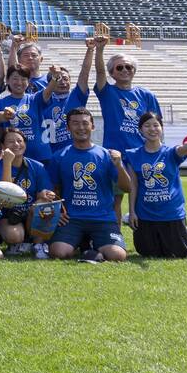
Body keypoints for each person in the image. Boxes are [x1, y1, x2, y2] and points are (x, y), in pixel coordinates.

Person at [94, 38, 160, 222]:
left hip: (141, 154)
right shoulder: (107, 92)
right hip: (116, 155)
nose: (124, 70)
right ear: (112, 73)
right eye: (119, 67)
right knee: (115, 199)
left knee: (146, 196)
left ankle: (146, 229)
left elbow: (157, 125)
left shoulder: (147, 95)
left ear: (135, 71)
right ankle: (115, 236)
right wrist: (99, 50)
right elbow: (99, 72)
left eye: (128, 67)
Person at [49, 108, 127, 262]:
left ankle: (90, 242)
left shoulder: (107, 155)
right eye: (75, 123)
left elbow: (127, 188)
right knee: (58, 252)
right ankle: (85, 242)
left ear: (93, 126)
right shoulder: (60, 156)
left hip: (102, 218)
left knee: (118, 255)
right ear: (68, 128)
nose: (81, 127)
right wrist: (58, 211)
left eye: (85, 123)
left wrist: (119, 166)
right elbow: (54, 189)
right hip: (73, 219)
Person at [122, 112, 187, 258]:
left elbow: (183, 149)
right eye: (147, 126)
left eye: (156, 125)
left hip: (170, 212)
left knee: (178, 254)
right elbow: (133, 185)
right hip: (145, 212)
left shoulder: (171, 152)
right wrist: (132, 212)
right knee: (146, 252)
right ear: (140, 130)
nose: (152, 129)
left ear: (162, 128)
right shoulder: (133, 155)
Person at [0, 127, 57, 259]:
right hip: (8, 214)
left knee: (44, 204)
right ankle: (17, 243)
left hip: (30, 213)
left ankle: (38, 245)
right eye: (10, 141)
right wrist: (7, 162)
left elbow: (45, 191)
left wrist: (44, 194)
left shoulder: (37, 166)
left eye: (19, 141)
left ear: (25, 144)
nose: (16, 144)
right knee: (14, 236)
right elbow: (6, 195)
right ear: (3, 146)